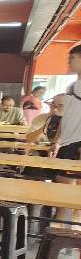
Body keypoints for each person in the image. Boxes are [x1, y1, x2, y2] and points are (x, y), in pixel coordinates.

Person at [53, 43, 81, 229]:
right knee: (62, 198)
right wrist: (57, 141)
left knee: (70, 199)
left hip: (77, 146)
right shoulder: (73, 86)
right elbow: (67, 118)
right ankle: (59, 238)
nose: (68, 61)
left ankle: (65, 241)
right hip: (67, 145)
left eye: (72, 58)